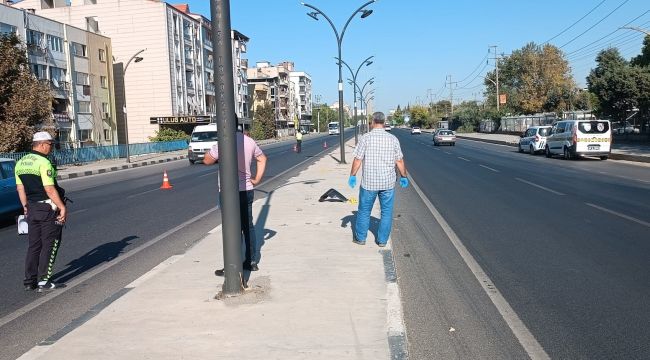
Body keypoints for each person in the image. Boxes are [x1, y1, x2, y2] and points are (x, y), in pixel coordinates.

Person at [204, 125, 267, 273]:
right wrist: (257, 179)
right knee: (248, 226)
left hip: (228, 192)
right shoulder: (249, 141)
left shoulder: (223, 142)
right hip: (246, 190)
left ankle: (232, 265)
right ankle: (251, 261)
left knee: (231, 228)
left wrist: (211, 150)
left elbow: (207, 160)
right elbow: (262, 158)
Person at [15, 131, 67, 292]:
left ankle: (30, 280)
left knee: (34, 245)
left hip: (32, 207)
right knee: (50, 244)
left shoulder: (21, 162)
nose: (51, 148)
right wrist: (62, 207)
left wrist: (25, 206)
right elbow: (49, 189)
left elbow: (20, 188)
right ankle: (44, 281)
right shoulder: (43, 162)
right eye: (50, 145)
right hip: (47, 207)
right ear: (42, 144)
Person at [348, 112, 408, 247]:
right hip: (387, 183)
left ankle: (360, 238)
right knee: (386, 212)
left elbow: (358, 159)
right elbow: (399, 160)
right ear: (384, 121)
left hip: (369, 183)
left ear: (373, 122)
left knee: (364, 211)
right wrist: (404, 176)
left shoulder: (365, 138)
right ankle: (382, 241)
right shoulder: (393, 139)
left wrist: (352, 175)